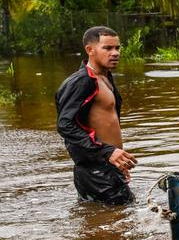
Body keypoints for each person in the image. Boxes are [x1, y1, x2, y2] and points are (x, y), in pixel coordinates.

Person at [55, 26, 137, 205]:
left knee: (112, 223)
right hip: (96, 173)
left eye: (117, 48)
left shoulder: (105, 78)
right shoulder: (81, 82)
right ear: (90, 50)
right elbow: (65, 125)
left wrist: (117, 161)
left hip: (109, 167)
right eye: (107, 48)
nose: (115, 53)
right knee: (114, 223)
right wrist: (106, 152)